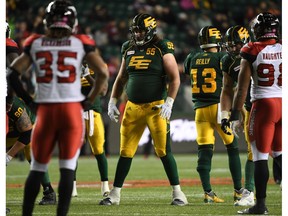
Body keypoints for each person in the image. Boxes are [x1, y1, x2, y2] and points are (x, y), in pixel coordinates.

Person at [7, 0, 109, 215]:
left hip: (45, 109)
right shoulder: (80, 42)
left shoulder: (36, 42)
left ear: (47, 20)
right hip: (71, 110)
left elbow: (12, 74)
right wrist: (89, 100)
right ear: (73, 21)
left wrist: (28, 99)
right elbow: (103, 73)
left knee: (37, 168)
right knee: (67, 168)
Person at [99, 13, 188, 206]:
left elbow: (174, 78)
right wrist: (113, 100)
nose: (137, 34)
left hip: (156, 107)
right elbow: (121, 77)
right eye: (135, 30)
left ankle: (178, 193)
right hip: (132, 107)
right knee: (125, 151)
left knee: (164, 150)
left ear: (150, 31)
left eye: (141, 30)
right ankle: (115, 194)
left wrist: (170, 102)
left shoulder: (162, 47)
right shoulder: (128, 47)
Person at [224, 12, 282, 215]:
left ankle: (260, 205)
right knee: (279, 153)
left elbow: (241, 89)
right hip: (283, 103)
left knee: (260, 157)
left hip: (263, 104)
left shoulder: (252, 49)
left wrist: (234, 114)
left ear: (258, 29)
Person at [183, 26, 243, 204]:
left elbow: (188, 72)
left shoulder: (191, 57)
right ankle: (239, 191)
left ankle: (207, 192)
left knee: (204, 150)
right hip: (218, 107)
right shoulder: (222, 57)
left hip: (199, 110)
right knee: (232, 147)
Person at [220, 25, 255, 206]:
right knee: (254, 149)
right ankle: (249, 191)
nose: (232, 49)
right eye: (230, 45)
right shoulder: (228, 61)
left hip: (270, 101)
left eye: (236, 45)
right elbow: (228, 89)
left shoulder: (258, 52)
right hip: (251, 106)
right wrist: (227, 115)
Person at [6, 96, 56, 205]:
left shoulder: (14, 106)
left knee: (32, 155)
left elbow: (27, 134)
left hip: (27, 130)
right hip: (7, 134)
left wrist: (8, 157)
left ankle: (49, 192)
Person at [72, 64, 110, 197]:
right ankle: (72, 187)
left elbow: (103, 91)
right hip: (74, 112)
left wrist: (87, 75)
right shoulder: (70, 65)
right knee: (73, 151)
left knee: (99, 150)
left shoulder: (99, 66)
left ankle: (105, 186)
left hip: (93, 113)